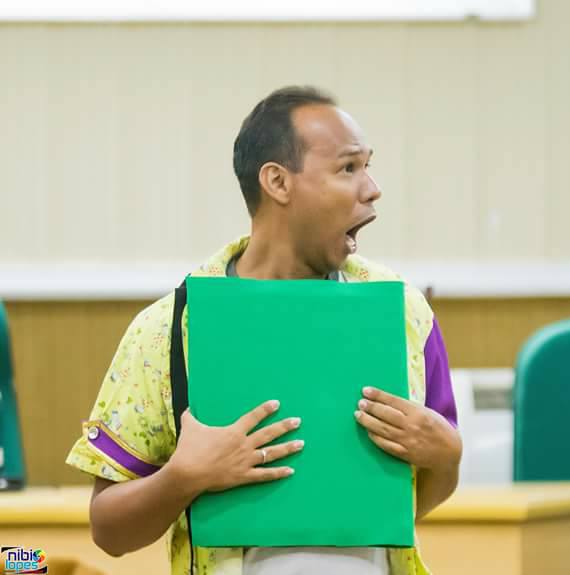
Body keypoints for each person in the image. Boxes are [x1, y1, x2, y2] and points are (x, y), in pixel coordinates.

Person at [66, 86, 462, 575]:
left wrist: (448, 458)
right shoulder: (169, 329)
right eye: (348, 168)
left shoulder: (404, 313)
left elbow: (410, 501)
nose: (372, 188)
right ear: (278, 181)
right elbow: (109, 531)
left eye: (368, 166)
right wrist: (183, 478)